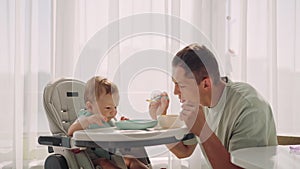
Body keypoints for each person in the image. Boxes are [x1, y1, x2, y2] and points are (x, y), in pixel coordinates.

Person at [149, 44, 278, 168]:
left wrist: (203, 130)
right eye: (174, 83)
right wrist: (159, 119)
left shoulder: (249, 109)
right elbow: (184, 151)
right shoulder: (201, 104)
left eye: (181, 85)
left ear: (206, 84)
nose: (175, 92)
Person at [68, 76, 148, 169]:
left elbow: (115, 135)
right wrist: (88, 121)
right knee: (104, 163)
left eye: (115, 107)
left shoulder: (111, 120)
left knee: (132, 160)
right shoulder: (86, 117)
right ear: (90, 107)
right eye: (108, 108)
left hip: (112, 155)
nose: (114, 112)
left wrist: (124, 126)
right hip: (93, 159)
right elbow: (70, 131)